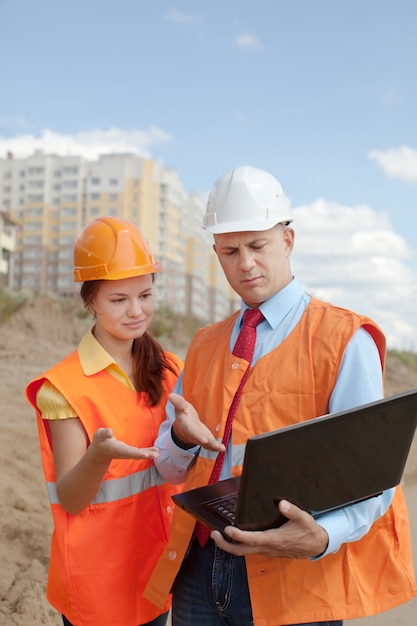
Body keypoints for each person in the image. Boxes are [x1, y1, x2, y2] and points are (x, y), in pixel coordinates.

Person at [144, 166, 417, 625]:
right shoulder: (205, 344)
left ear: (287, 242)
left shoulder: (344, 339)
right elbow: (168, 465)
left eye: (257, 246)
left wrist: (322, 536)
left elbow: (372, 477)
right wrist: (183, 438)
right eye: (230, 251)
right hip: (199, 570)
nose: (245, 263)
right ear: (217, 253)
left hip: (293, 579)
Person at [25, 217, 183, 626]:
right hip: (97, 585)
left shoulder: (170, 370)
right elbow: (73, 500)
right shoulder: (64, 387)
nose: (136, 311)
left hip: (157, 571)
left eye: (146, 294)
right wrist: (98, 456)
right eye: (118, 300)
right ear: (90, 301)